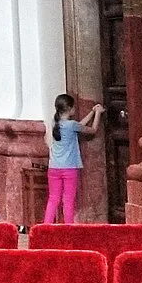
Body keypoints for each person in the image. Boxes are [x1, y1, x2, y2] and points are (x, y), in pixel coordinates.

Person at [43, 93, 104, 224]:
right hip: (69, 168)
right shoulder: (71, 125)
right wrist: (98, 113)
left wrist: (91, 112)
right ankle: (68, 228)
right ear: (70, 109)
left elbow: (79, 125)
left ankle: (45, 226)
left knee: (53, 199)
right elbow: (92, 130)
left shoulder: (54, 123)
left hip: (53, 167)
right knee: (68, 200)